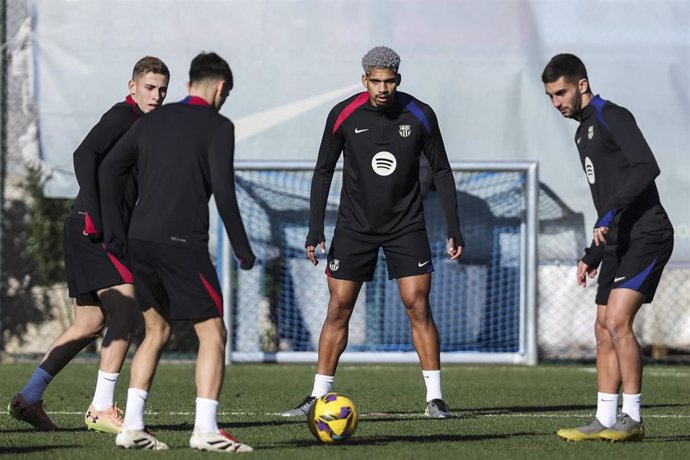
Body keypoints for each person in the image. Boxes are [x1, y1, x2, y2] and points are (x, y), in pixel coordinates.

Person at [281, 46, 463, 419]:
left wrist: (454, 227)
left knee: (418, 305)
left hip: (406, 225)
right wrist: (315, 228)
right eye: (376, 81)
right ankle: (318, 395)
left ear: (398, 80)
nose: (383, 88)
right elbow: (322, 170)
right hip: (353, 228)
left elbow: (442, 171)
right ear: (364, 79)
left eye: (389, 81)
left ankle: (435, 399)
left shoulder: (420, 114)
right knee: (338, 308)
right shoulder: (344, 114)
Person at [99, 52, 255, 452]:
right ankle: (206, 430)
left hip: (140, 240)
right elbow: (224, 191)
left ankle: (132, 427)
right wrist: (242, 247)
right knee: (213, 333)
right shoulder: (219, 126)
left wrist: (116, 229)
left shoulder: (150, 121)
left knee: (157, 330)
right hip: (181, 245)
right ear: (220, 88)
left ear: (187, 85)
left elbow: (109, 167)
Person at [7, 57, 169, 433]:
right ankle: (101, 407)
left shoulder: (147, 127)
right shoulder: (122, 115)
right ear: (132, 87)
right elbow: (84, 154)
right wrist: (98, 217)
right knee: (126, 313)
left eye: (162, 89)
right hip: (90, 228)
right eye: (149, 87)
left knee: (90, 323)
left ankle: (29, 397)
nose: (156, 95)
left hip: (90, 227)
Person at [542, 53, 674, 442]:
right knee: (602, 329)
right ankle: (603, 418)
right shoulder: (581, 132)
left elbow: (646, 167)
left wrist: (610, 213)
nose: (556, 103)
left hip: (647, 234)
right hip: (616, 240)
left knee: (617, 322)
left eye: (561, 93)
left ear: (582, 84)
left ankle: (631, 418)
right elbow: (608, 200)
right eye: (550, 96)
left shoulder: (611, 115)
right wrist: (593, 254)